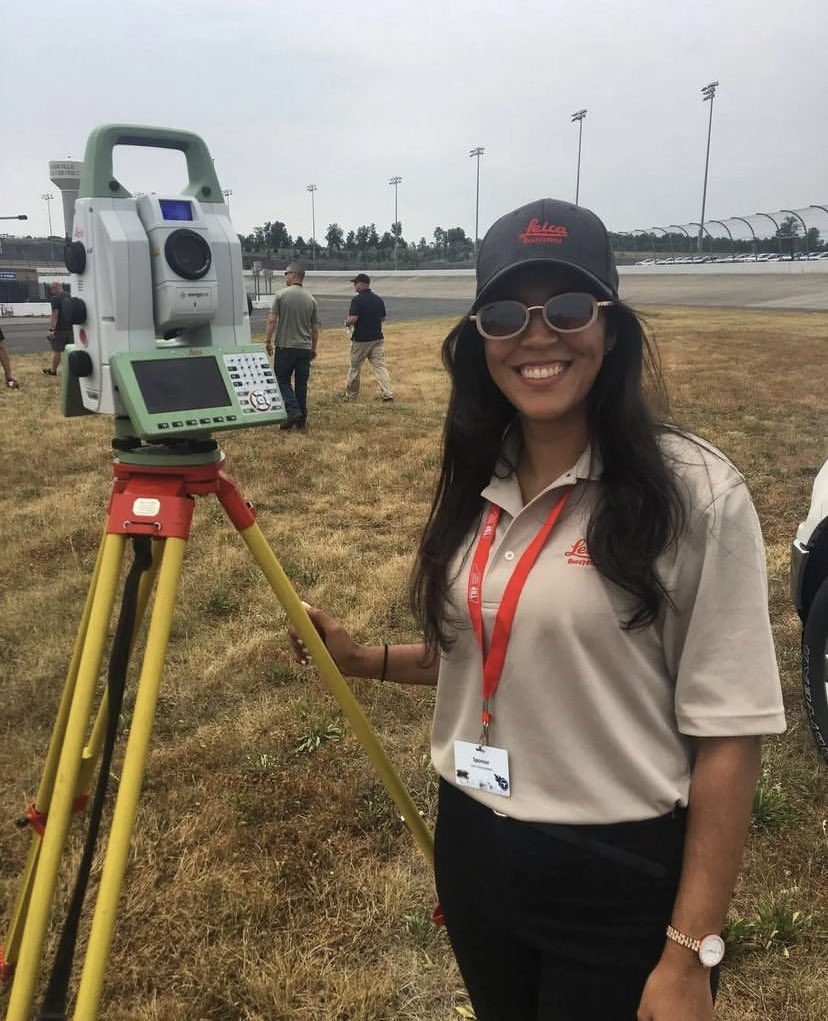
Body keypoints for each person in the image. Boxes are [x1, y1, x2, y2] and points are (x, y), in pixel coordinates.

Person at [288, 198, 787, 1021]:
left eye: (566, 307)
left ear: (611, 328)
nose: (537, 334)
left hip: (616, 870)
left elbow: (729, 731)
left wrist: (691, 949)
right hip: (475, 847)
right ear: (480, 336)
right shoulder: (479, 475)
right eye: (505, 313)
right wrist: (363, 658)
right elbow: (492, 649)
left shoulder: (695, 493)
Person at [264, 263, 320, 431]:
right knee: (301, 384)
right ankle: (302, 419)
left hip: (286, 346)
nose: (285, 276)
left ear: (294, 275)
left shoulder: (281, 295)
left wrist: (267, 341)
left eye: (286, 273)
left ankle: (293, 411)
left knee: (282, 380)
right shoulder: (311, 299)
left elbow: (272, 320)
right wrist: (313, 348)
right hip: (304, 347)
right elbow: (315, 328)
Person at [343, 273, 393, 402]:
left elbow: (353, 318)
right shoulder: (378, 299)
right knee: (380, 366)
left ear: (361, 284)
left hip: (361, 339)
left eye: (355, 283)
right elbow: (382, 318)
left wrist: (346, 322)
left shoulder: (357, 300)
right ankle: (388, 393)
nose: (354, 286)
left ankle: (351, 395)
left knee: (355, 367)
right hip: (377, 337)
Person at [44, 280, 72, 376]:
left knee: (57, 351)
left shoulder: (55, 299)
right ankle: (71, 370)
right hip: (71, 327)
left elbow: (55, 315)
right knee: (71, 350)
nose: (51, 291)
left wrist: (52, 330)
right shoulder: (69, 296)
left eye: (51, 288)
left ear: (56, 287)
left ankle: (53, 370)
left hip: (60, 329)